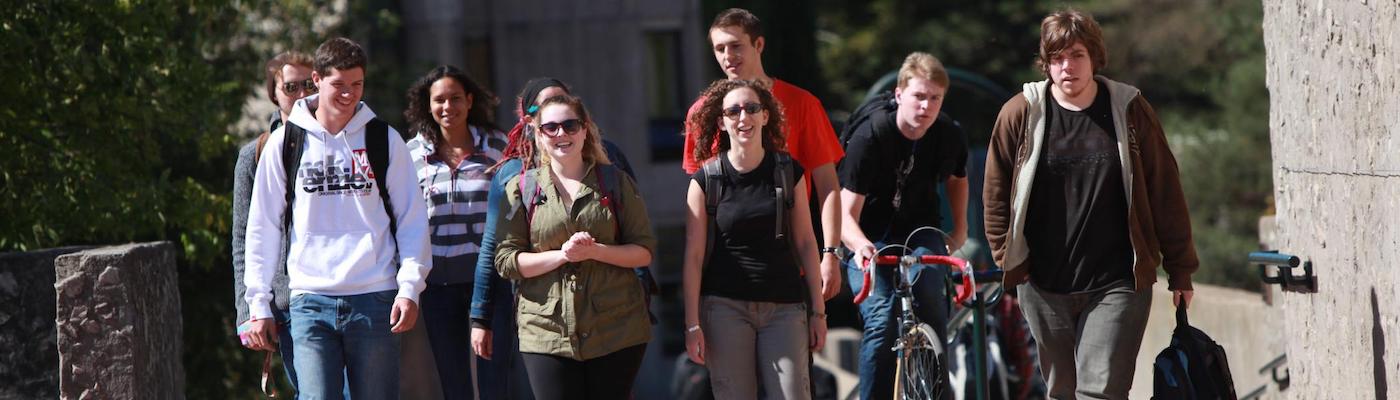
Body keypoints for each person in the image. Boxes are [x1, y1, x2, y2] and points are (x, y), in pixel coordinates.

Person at [983, 9, 1198, 399]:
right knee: (1062, 390)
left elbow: (1165, 189)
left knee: (1099, 392)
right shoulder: (1021, 113)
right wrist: (1007, 257)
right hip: (1043, 283)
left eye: (1077, 54)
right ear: (1046, 63)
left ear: (1095, 57)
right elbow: (996, 193)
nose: (1068, 67)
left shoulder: (1129, 110)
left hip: (1117, 281)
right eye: (1058, 57)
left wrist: (1180, 268)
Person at [244, 37, 433, 399]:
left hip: (374, 297)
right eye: (339, 85)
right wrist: (258, 303)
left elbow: (411, 217)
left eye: (357, 85)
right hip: (309, 300)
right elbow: (262, 226)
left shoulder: (383, 139)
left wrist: (410, 287)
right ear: (316, 79)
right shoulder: (286, 143)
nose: (349, 95)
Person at [470, 77, 638, 400]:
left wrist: (642, 289)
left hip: (610, 311)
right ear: (530, 121)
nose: (559, 125)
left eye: (563, 106)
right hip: (546, 315)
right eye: (543, 111)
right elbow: (494, 251)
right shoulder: (513, 175)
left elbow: (635, 232)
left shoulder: (607, 162)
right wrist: (481, 317)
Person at [682, 8, 844, 301]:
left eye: (735, 45)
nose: (727, 55)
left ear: (758, 45)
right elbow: (697, 199)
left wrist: (831, 252)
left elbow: (828, 185)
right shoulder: (702, 113)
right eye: (720, 48)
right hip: (725, 270)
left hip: (791, 263)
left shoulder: (802, 103)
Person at [681, 79, 827, 399]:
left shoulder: (789, 172)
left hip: (785, 307)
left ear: (765, 116)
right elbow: (692, 257)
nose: (742, 117)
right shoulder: (706, 180)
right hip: (724, 307)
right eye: (733, 111)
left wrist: (818, 311)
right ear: (721, 122)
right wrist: (692, 324)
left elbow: (805, 241)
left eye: (751, 108)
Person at [839, 52, 969, 400]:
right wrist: (860, 246)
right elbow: (844, 215)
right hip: (867, 235)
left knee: (930, 296)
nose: (926, 106)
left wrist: (961, 228)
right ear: (899, 95)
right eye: (918, 96)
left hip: (921, 227)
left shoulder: (947, 134)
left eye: (935, 98)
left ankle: (936, 391)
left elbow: (958, 177)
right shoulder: (871, 137)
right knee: (881, 321)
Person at [404, 65, 509, 399]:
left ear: (470, 100)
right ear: (428, 105)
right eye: (439, 100)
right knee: (454, 384)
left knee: (495, 382)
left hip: (490, 279)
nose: (447, 107)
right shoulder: (412, 154)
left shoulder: (497, 146)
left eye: (455, 98)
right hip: (438, 284)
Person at [232, 50, 315, 395]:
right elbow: (242, 238)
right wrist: (248, 310)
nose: (300, 95)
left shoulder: (344, 142)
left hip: (345, 289)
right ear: (274, 93)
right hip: (287, 299)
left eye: (309, 85)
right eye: (290, 87)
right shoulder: (256, 153)